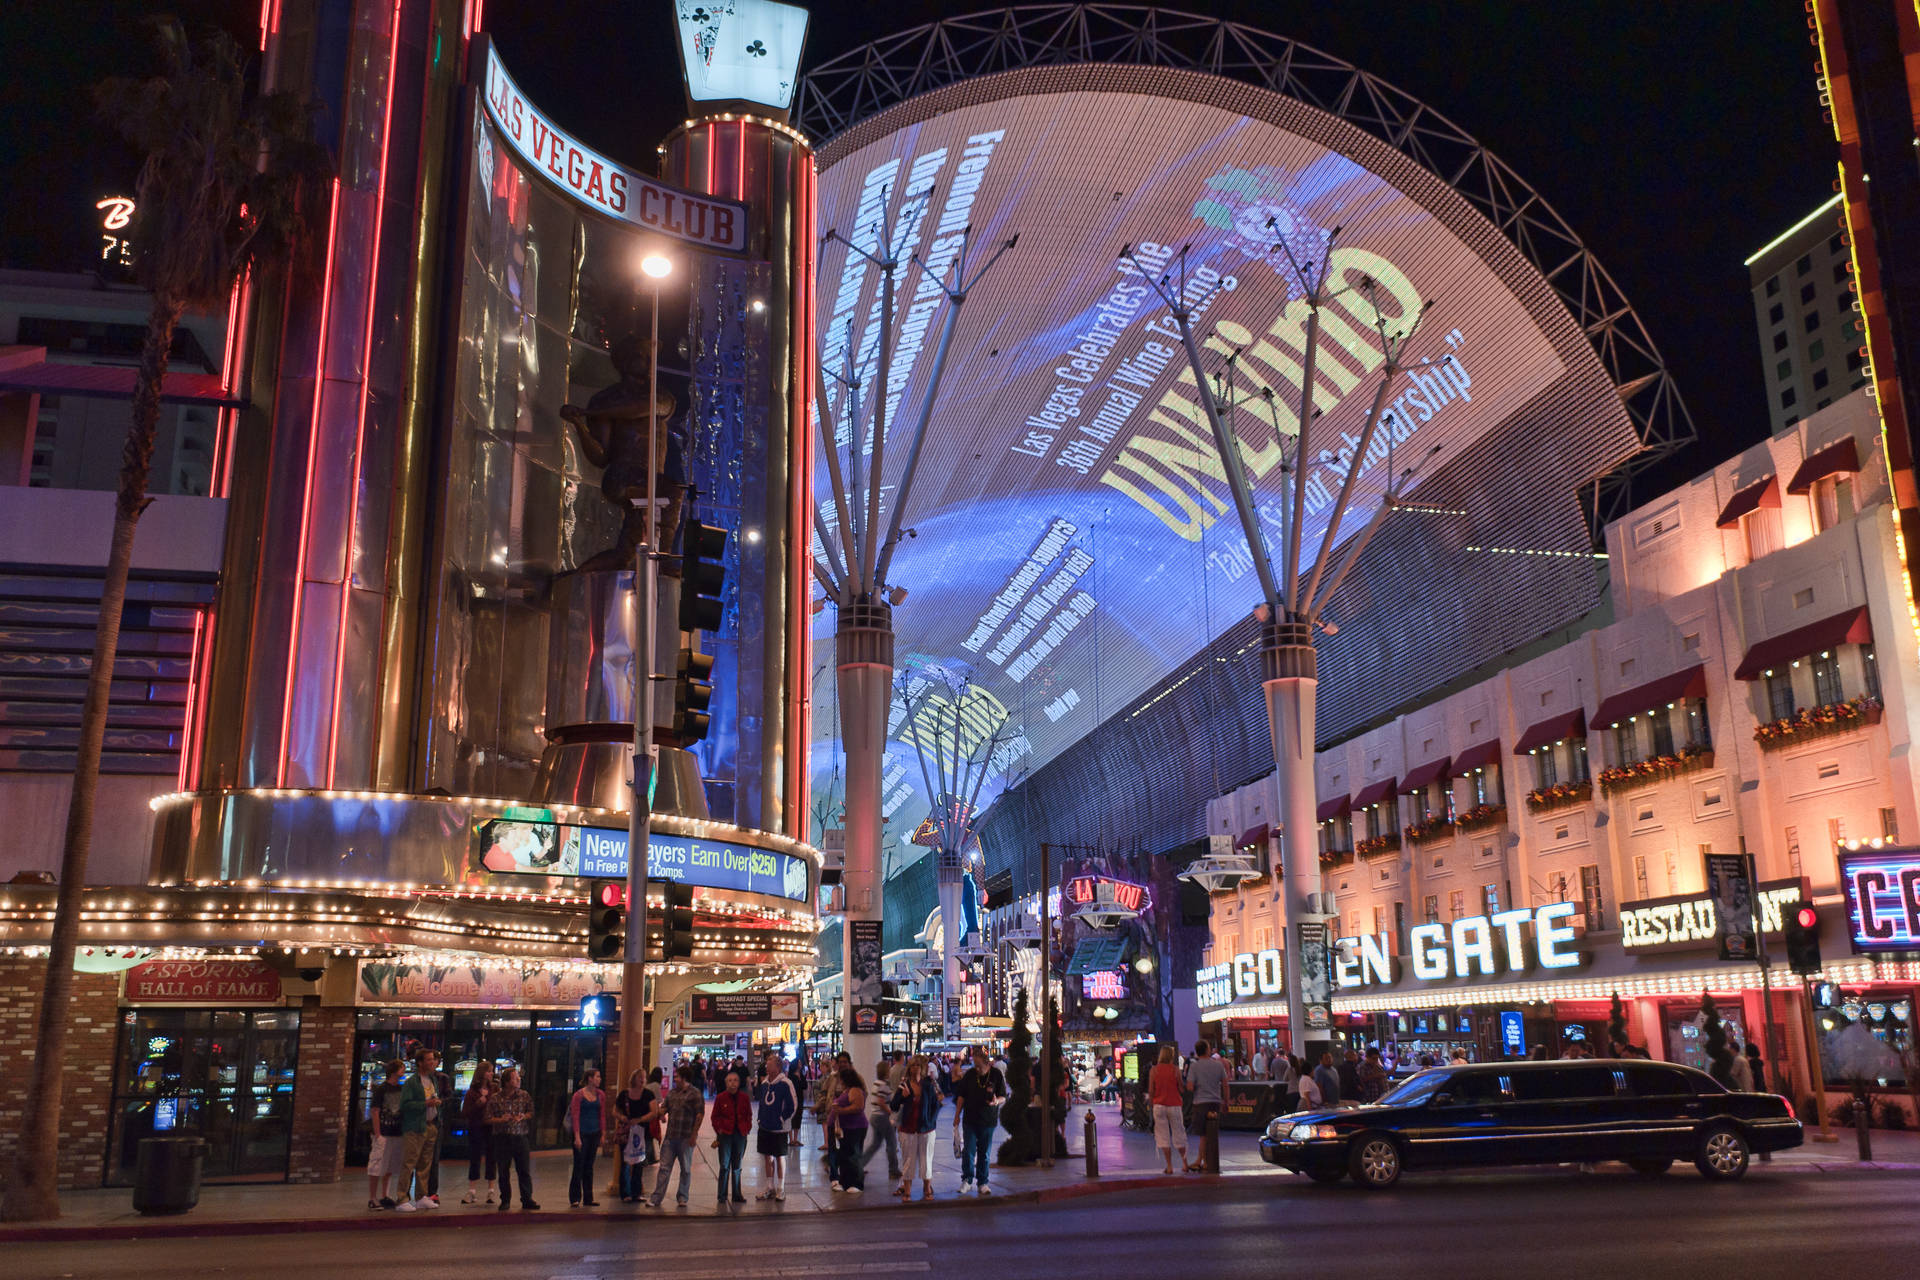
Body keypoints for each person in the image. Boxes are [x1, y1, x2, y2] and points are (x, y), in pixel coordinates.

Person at [951, 1046, 1006, 1196]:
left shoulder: (996, 1075)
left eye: (977, 1061)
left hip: (988, 1120)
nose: (976, 1066)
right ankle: (967, 1180)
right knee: (968, 1150)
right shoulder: (970, 1075)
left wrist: (996, 1101)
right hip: (970, 1119)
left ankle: (983, 1182)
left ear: (985, 1061)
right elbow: (961, 1095)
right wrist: (957, 1115)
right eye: (974, 1061)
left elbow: (1003, 1095)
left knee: (984, 1152)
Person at [649, 1065, 705, 1209]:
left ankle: (682, 1197)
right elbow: (665, 1108)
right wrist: (658, 1112)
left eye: (677, 1076)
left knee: (685, 1169)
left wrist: (694, 1135)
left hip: (686, 1137)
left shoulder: (695, 1093)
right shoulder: (672, 1093)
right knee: (664, 1168)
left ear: (684, 1078)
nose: (675, 1079)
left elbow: (699, 1114)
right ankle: (656, 1198)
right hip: (670, 1137)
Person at [395, 1050, 443, 1210]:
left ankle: (421, 1196)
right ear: (420, 1062)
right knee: (409, 1162)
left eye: (434, 1060)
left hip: (430, 1125)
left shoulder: (432, 1080)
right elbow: (405, 1105)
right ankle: (402, 1198)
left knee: (425, 1164)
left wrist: (436, 1104)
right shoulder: (412, 1082)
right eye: (429, 1060)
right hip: (415, 1127)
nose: (433, 1063)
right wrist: (425, 1104)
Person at [485, 1066, 538, 1211]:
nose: (518, 1080)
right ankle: (505, 1200)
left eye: (518, 1077)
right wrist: (501, 1119)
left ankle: (527, 1199)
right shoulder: (496, 1098)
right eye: (515, 1078)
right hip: (502, 1137)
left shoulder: (524, 1095)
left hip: (520, 1136)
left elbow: (531, 1112)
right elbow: (488, 1118)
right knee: (503, 1170)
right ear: (507, 1082)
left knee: (524, 1170)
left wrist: (523, 1116)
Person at [891, 1055, 941, 1201]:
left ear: (922, 1068)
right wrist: (903, 1096)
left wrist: (931, 1121)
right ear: (909, 1068)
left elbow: (936, 1105)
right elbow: (893, 1105)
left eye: (918, 1065)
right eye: (913, 1065)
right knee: (908, 1160)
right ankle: (907, 1190)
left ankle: (927, 1188)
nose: (915, 1068)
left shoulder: (928, 1084)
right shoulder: (904, 1084)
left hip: (926, 1128)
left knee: (926, 1160)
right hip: (908, 1128)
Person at [754, 1049, 798, 1201]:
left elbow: (793, 1105)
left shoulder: (786, 1084)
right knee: (767, 1157)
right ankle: (769, 1187)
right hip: (765, 1126)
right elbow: (761, 1103)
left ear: (777, 1067)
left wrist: (781, 1119)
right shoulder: (765, 1083)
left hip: (779, 1129)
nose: (766, 1066)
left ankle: (781, 1187)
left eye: (769, 1064)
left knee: (779, 1157)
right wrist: (760, 1119)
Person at [1180, 1040, 1227, 1171]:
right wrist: (1226, 1101)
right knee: (1212, 1133)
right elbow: (1225, 1084)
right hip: (1215, 1102)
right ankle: (1204, 1160)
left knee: (1203, 1134)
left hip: (1200, 1103)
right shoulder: (1218, 1065)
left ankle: (1203, 1161)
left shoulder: (1194, 1066)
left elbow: (1189, 1086)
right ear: (1207, 1049)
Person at [365, 1058, 405, 1210]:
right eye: (401, 1068)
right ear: (394, 1071)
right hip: (383, 1131)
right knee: (377, 1165)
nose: (403, 1071)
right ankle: (372, 1197)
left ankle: (384, 1195)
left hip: (396, 1132)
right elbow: (375, 1111)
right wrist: (377, 1133)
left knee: (390, 1166)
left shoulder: (400, 1089)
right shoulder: (382, 1089)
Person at [710, 1068, 752, 1204]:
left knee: (737, 1166)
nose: (732, 1083)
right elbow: (714, 1116)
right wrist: (719, 1130)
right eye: (730, 1081)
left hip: (740, 1135)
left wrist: (747, 1128)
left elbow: (748, 1115)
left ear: (739, 1083)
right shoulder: (720, 1097)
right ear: (726, 1083)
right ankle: (722, 1195)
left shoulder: (744, 1098)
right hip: (725, 1136)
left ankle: (736, 1194)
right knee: (724, 1165)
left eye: (735, 1080)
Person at [566, 1067, 605, 1208]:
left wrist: (602, 1134)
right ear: (590, 1078)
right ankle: (575, 1197)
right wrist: (577, 1137)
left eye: (599, 1077)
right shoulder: (578, 1095)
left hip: (594, 1133)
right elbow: (575, 1116)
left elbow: (602, 1115)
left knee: (589, 1166)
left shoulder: (601, 1095)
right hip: (582, 1133)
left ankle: (588, 1197)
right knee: (579, 1165)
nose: (599, 1079)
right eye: (597, 1076)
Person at [613, 1068, 654, 1202]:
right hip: (627, 1132)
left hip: (642, 1132)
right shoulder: (624, 1094)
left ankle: (636, 1192)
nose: (642, 1080)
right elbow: (615, 1111)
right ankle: (625, 1193)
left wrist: (640, 1119)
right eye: (640, 1077)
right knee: (625, 1162)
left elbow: (654, 1111)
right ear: (634, 1079)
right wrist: (622, 1118)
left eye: (644, 1077)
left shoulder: (648, 1094)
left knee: (639, 1162)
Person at [826, 1066, 869, 1193]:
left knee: (854, 1155)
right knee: (846, 1155)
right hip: (847, 1127)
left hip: (855, 1127)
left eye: (841, 1079)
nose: (840, 1081)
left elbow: (859, 1107)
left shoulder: (855, 1090)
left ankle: (857, 1183)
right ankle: (845, 1182)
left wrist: (842, 1110)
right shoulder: (847, 1090)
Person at [1146, 1044, 1187, 1174]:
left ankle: (1169, 1166)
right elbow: (1181, 1088)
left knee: (1163, 1136)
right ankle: (1185, 1163)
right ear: (1171, 1056)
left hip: (1159, 1105)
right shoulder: (1175, 1070)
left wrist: (1151, 1104)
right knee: (1179, 1134)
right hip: (1174, 1104)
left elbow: (1151, 1090)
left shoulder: (1154, 1070)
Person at [460, 1060, 496, 1205]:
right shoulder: (472, 1092)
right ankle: (472, 1190)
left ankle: (491, 1191)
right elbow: (465, 1112)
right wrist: (477, 1104)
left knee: (491, 1157)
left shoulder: (494, 1089)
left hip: (491, 1127)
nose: (491, 1073)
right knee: (475, 1157)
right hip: (476, 1127)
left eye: (492, 1071)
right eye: (489, 1071)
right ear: (482, 1073)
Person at [863, 1056, 902, 1183]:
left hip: (874, 1117)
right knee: (891, 1143)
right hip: (882, 1117)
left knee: (875, 1144)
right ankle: (893, 1170)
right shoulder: (884, 1085)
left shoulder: (876, 1083)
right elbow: (881, 1101)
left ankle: (859, 1165)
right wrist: (890, 1112)